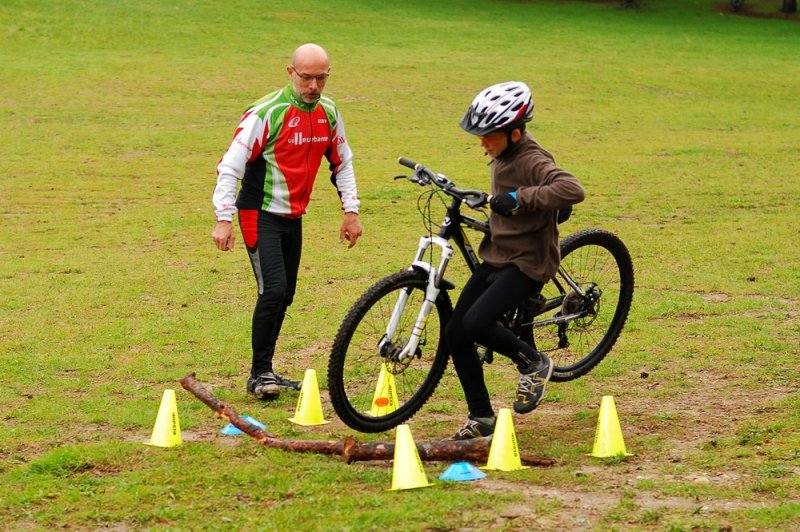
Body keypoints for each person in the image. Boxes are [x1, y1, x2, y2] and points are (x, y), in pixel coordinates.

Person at [211, 43, 363, 400]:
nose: (313, 85)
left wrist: (351, 211)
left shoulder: (328, 112)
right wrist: (223, 217)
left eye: (321, 78)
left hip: (293, 217)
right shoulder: (266, 112)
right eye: (306, 77)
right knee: (274, 290)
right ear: (290, 73)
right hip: (257, 213)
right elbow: (231, 165)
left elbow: (342, 161)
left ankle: (267, 370)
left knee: (286, 295)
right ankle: (259, 374)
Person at [446, 81, 585, 440]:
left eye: (489, 135)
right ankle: (481, 417)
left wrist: (519, 198)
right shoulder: (502, 154)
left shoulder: (532, 158)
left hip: (527, 261)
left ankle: (533, 363)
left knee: (477, 323)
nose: (482, 142)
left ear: (516, 132)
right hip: (497, 255)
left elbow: (572, 190)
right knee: (455, 334)